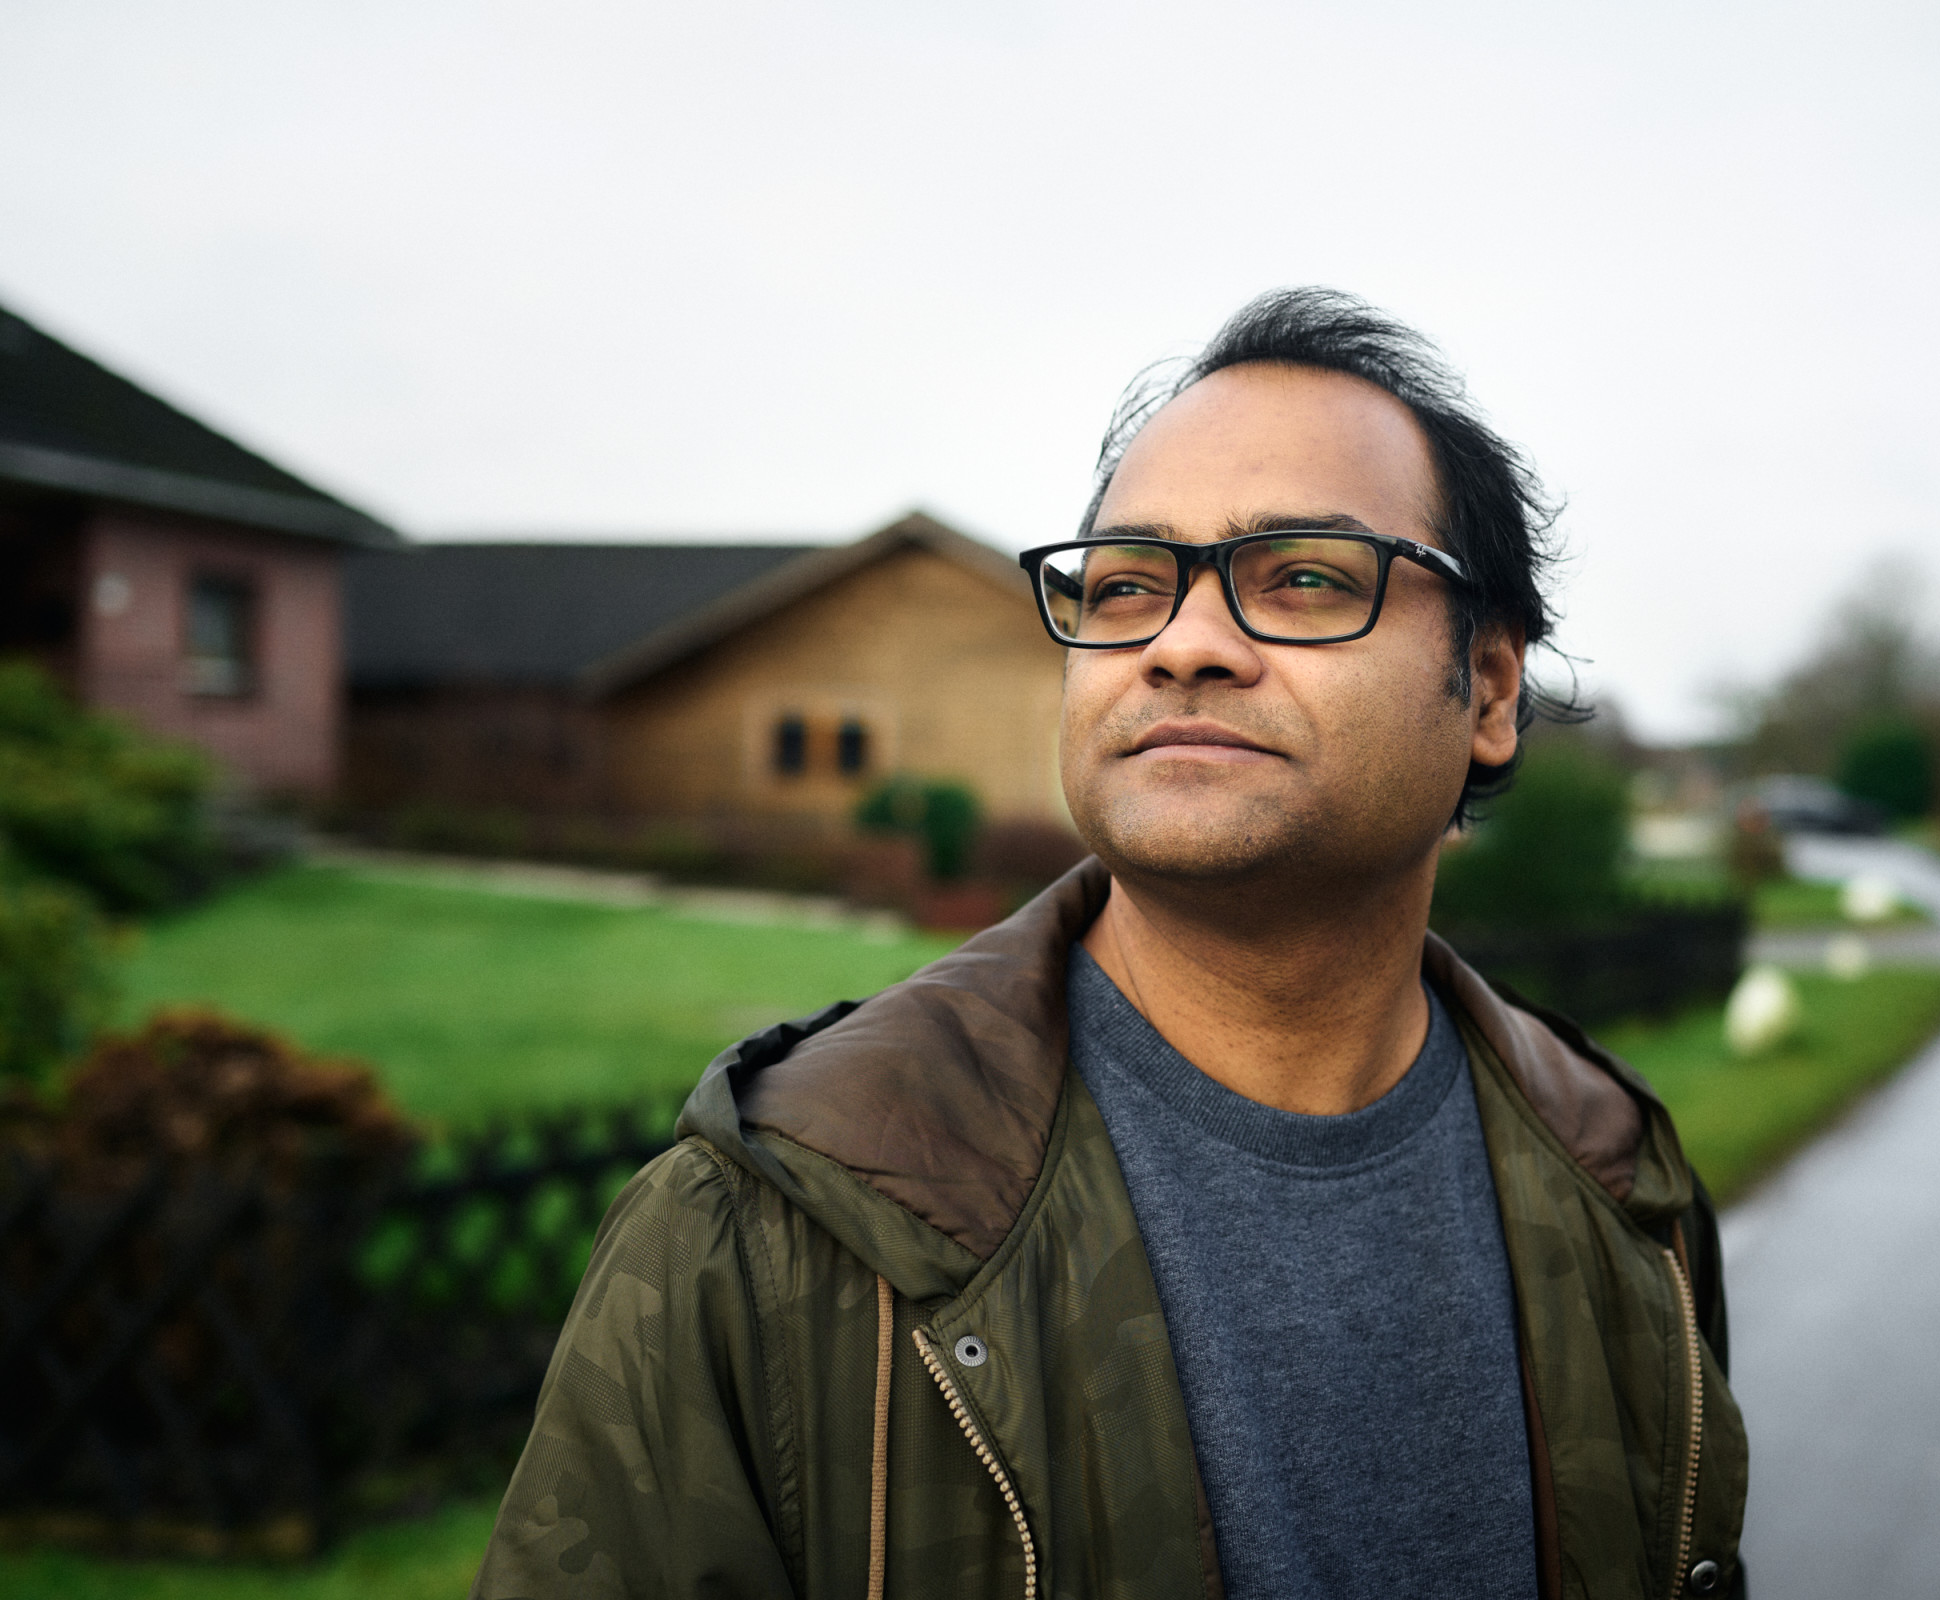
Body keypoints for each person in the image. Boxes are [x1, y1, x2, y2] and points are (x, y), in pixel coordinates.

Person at [474, 288, 1747, 1599]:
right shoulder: (769, 1222)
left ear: (1486, 687)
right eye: (1129, 585)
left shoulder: (1624, 1194)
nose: (1183, 645)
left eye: (1303, 577)